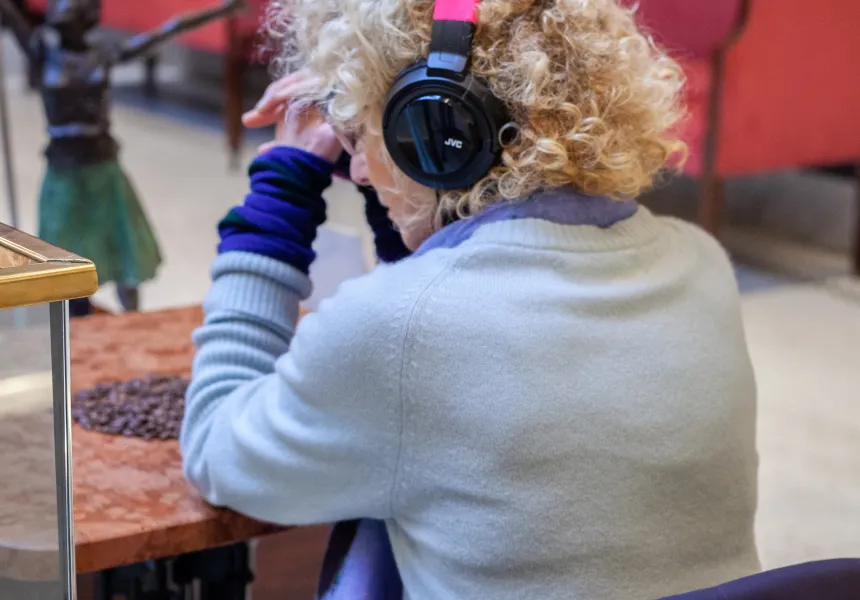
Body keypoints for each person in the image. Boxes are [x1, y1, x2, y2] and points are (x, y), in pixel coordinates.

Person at [180, 0, 761, 598]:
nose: (355, 167)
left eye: (362, 129)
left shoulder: (398, 330)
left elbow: (218, 452)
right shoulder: (703, 266)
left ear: (429, 133)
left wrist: (284, 185)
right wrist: (410, 189)